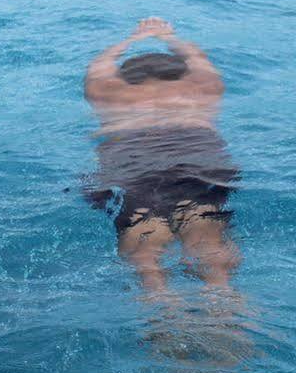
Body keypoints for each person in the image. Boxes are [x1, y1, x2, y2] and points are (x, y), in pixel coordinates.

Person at [84, 18, 241, 299]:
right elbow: (198, 57)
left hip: (133, 162)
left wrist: (131, 39)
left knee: (145, 241)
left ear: (125, 76)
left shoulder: (110, 92)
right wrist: (169, 36)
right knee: (204, 226)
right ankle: (222, 293)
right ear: (180, 73)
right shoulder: (203, 87)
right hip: (197, 158)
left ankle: (158, 300)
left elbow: (98, 67)